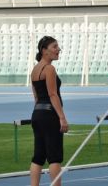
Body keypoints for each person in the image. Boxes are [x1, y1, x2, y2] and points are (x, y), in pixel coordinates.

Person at [30, 36, 69, 186]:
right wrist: (62, 118)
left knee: (38, 156)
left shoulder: (34, 70)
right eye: (54, 46)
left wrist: (39, 115)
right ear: (44, 50)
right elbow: (53, 94)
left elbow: (36, 97)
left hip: (37, 114)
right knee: (54, 157)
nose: (58, 49)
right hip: (49, 114)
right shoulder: (49, 69)